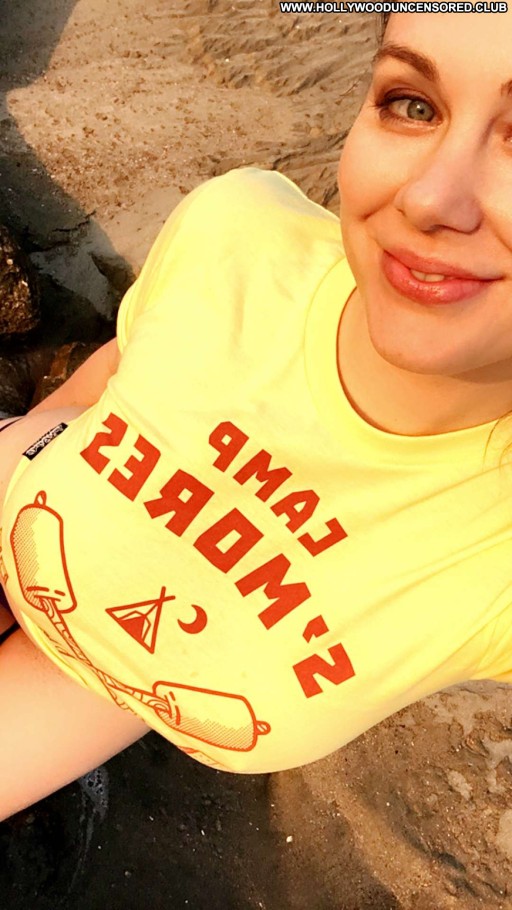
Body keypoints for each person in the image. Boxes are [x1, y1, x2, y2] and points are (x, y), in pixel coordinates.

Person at [2, 7, 512, 821]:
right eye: (412, 104)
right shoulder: (241, 232)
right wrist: (40, 433)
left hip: (94, 688)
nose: (427, 198)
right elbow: (110, 379)